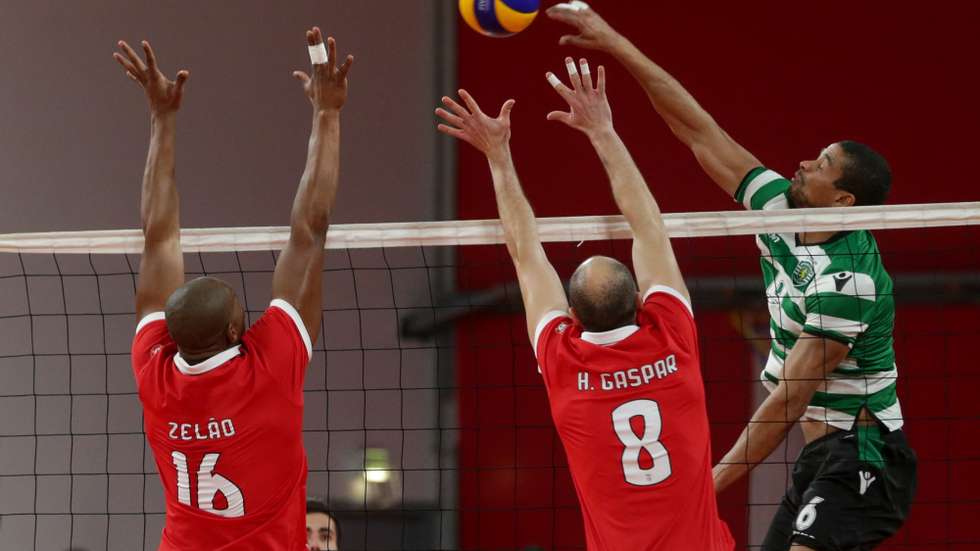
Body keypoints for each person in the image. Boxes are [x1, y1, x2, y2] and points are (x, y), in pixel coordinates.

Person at [547, 4, 917, 550]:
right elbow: (696, 129)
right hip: (818, 458)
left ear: (842, 200)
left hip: (864, 456)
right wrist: (613, 42)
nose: (803, 164)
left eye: (821, 165)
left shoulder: (850, 282)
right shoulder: (778, 205)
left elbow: (791, 397)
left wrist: (706, 481)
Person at [435, 57, 733, 550]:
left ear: (572, 318)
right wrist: (602, 130)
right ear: (642, 302)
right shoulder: (672, 339)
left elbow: (524, 253)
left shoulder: (564, 361)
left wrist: (497, 154)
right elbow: (647, 223)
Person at [117, 27, 352, 550]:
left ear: (170, 336)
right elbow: (310, 227)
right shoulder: (267, 367)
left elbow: (159, 239)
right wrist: (327, 113)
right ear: (234, 328)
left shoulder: (154, 369)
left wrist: (161, 119)